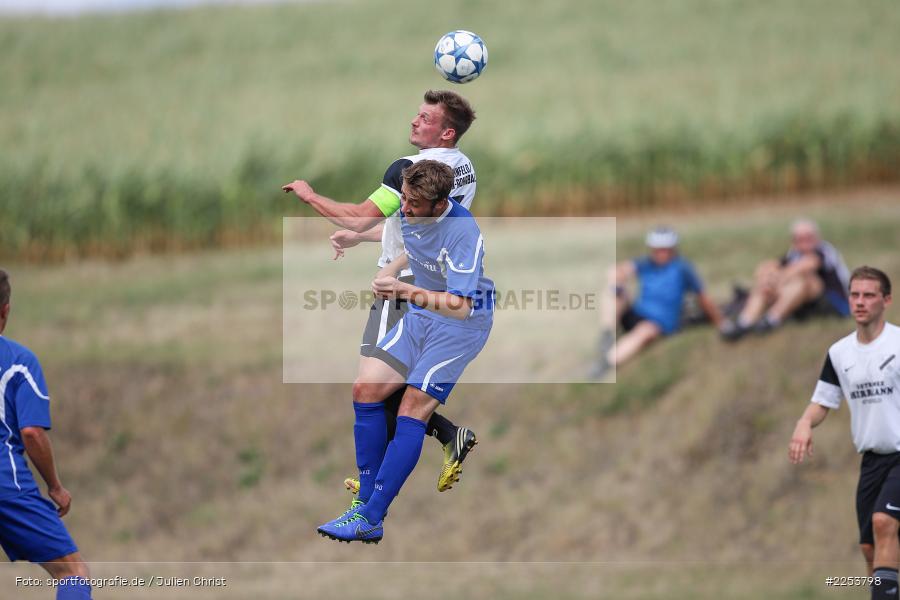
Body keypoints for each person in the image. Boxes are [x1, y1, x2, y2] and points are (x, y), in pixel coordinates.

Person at [283, 90, 479, 494]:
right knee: (384, 385)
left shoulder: (410, 168)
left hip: (403, 287)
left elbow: (354, 218)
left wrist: (309, 194)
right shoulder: (462, 168)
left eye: (424, 117)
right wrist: (369, 240)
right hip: (433, 281)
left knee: (371, 388)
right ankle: (440, 440)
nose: (413, 121)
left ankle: (378, 479)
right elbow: (415, 224)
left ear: (445, 132)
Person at [316, 160, 494, 543]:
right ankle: (364, 499)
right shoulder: (413, 208)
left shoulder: (463, 233)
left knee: (412, 406)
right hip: (421, 313)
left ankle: (371, 518)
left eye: (414, 204)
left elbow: (461, 306)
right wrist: (390, 270)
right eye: (405, 200)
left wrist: (404, 291)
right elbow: (416, 249)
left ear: (440, 203)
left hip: (459, 327)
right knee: (366, 390)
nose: (406, 210)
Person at [789, 266, 899, 600]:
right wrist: (804, 423)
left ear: (886, 301)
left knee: (883, 523)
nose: (860, 302)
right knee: (869, 547)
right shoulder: (840, 353)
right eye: (854, 294)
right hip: (872, 461)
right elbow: (823, 400)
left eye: (869, 295)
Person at [0, 270, 92, 600]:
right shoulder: (18, 362)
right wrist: (54, 485)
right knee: (73, 571)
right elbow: (31, 433)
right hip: (5, 484)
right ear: (5, 311)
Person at [593, 226, 722, 377]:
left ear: (673, 249)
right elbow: (618, 270)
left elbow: (703, 297)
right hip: (637, 313)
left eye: (664, 249)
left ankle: (607, 363)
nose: (660, 253)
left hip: (658, 323)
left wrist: (720, 321)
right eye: (657, 249)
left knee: (645, 332)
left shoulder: (682, 268)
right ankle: (607, 335)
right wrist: (617, 282)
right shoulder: (646, 264)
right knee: (612, 293)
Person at [721, 219, 850, 341]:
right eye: (800, 239)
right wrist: (767, 277)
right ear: (794, 241)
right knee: (766, 283)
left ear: (817, 237)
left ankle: (771, 319)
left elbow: (807, 265)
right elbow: (768, 267)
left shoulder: (824, 251)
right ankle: (744, 322)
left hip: (833, 303)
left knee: (804, 279)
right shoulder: (793, 254)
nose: (805, 242)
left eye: (808, 237)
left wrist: (777, 279)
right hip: (805, 305)